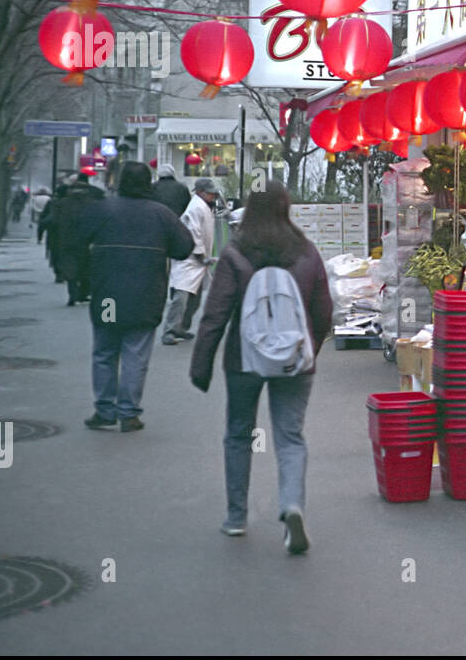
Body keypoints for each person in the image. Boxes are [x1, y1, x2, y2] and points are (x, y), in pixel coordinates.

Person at [189, 181, 332, 551]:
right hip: (295, 361)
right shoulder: (306, 252)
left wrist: (201, 365)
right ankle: (291, 505)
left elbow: (215, 313)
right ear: (286, 208)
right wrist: (309, 349)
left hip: (244, 360)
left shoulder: (236, 253)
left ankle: (237, 518)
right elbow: (323, 311)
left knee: (239, 434)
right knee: (290, 437)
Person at [76, 161, 194, 433]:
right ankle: (128, 412)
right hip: (145, 294)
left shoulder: (103, 209)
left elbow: (77, 238)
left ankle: (104, 409)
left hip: (107, 296)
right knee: (135, 354)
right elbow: (184, 248)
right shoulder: (161, 214)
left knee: (104, 352)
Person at [161, 178, 221, 345]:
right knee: (181, 297)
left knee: (195, 300)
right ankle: (170, 329)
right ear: (200, 192)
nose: (212, 195)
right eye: (209, 192)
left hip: (197, 259)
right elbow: (193, 232)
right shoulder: (195, 208)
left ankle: (181, 326)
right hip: (188, 258)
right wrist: (201, 255)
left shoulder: (204, 206)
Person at [52, 173, 104, 305]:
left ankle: (72, 293)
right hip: (87, 240)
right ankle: (83, 293)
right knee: (86, 267)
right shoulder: (93, 203)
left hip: (67, 240)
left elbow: (55, 221)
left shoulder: (63, 203)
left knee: (70, 267)